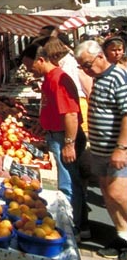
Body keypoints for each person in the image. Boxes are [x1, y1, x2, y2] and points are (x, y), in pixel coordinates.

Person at [22, 39, 86, 236]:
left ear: (40, 60)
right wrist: (43, 124)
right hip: (56, 135)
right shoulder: (49, 79)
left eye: (29, 66)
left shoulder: (59, 80)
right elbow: (54, 109)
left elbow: (71, 115)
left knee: (68, 184)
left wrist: (69, 144)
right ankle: (80, 225)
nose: (29, 71)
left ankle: (72, 228)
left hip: (63, 137)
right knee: (68, 180)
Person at [75, 40, 127, 260]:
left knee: (119, 193)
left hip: (115, 149)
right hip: (100, 148)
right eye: (82, 67)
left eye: (87, 64)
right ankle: (122, 235)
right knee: (107, 193)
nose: (86, 70)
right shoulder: (99, 78)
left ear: (100, 57)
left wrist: (121, 148)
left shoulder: (117, 77)